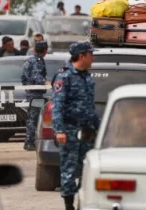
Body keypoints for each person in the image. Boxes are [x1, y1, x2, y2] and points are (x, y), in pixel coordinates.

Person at [52, 41, 101, 210]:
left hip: (87, 130)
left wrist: (99, 128)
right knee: (69, 169)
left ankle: (84, 202)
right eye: (90, 54)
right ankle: (69, 205)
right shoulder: (64, 77)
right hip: (70, 130)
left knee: (86, 169)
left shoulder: (86, 76)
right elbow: (57, 106)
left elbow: (90, 106)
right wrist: (59, 130)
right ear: (82, 56)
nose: (93, 58)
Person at [21, 40, 49, 151]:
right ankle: (29, 142)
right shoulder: (38, 61)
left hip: (31, 92)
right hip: (36, 93)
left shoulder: (29, 60)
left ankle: (29, 142)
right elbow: (36, 76)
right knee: (34, 118)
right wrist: (45, 82)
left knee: (32, 117)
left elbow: (23, 77)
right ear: (45, 50)